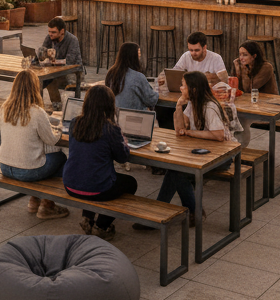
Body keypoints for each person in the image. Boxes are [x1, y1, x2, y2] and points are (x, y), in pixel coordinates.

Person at [136, 71, 228, 230]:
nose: (180, 88)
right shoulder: (192, 103)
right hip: (201, 152)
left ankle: (162, 214)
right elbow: (179, 130)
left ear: (193, 89)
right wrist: (178, 106)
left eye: (183, 85)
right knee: (175, 171)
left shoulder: (209, 106)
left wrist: (191, 133)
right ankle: (188, 212)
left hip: (222, 157)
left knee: (176, 173)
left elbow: (219, 135)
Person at [62, 84, 137, 241]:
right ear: (110, 105)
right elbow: (122, 158)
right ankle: (102, 226)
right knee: (130, 183)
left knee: (89, 172)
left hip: (70, 184)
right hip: (98, 189)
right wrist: (123, 142)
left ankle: (88, 218)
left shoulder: (75, 123)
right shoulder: (110, 129)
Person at [0, 70, 69, 220]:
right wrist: (59, 130)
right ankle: (47, 204)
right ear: (35, 87)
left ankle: (34, 199)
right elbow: (51, 140)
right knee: (60, 158)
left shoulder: (5, 107)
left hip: (5, 166)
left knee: (42, 159)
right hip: (27, 171)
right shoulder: (37, 112)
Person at [38, 16, 84, 110]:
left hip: (73, 71)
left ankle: (64, 106)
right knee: (41, 80)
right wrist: (45, 53)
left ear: (62, 31)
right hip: (57, 70)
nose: (50, 34)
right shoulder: (50, 37)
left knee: (52, 78)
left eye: (53, 32)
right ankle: (55, 104)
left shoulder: (72, 40)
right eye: (49, 31)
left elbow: (70, 61)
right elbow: (41, 54)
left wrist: (54, 61)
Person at [105, 42, 157, 113]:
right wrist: (157, 91)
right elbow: (151, 99)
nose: (140, 58)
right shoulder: (138, 77)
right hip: (134, 117)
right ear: (134, 57)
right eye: (138, 55)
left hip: (115, 115)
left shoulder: (111, 73)